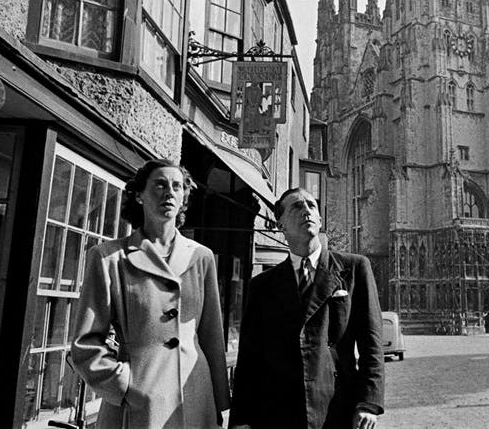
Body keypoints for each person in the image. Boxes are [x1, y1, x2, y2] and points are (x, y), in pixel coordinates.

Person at [72, 159, 230, 428]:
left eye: (177, 187)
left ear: (183, 199)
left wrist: (221, 406)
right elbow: (86, 344)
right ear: (139, 195)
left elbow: (212, 338)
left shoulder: (201, 257)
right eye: (160, 184)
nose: (169, 192)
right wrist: (124, 385)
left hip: (195, 397)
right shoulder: (109, 258)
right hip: (136, 403)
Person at [230, 188, 385, 429]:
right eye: (296, 207)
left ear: (320, 220)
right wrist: (242, 419)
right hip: (277, 411)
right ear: (281, 225)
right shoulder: (263, 285)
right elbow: (250, 356)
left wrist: (368, 402)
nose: (307, 211)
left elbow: (371, 342)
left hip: (337, 407)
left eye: (311, 206)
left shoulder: (354, 268)